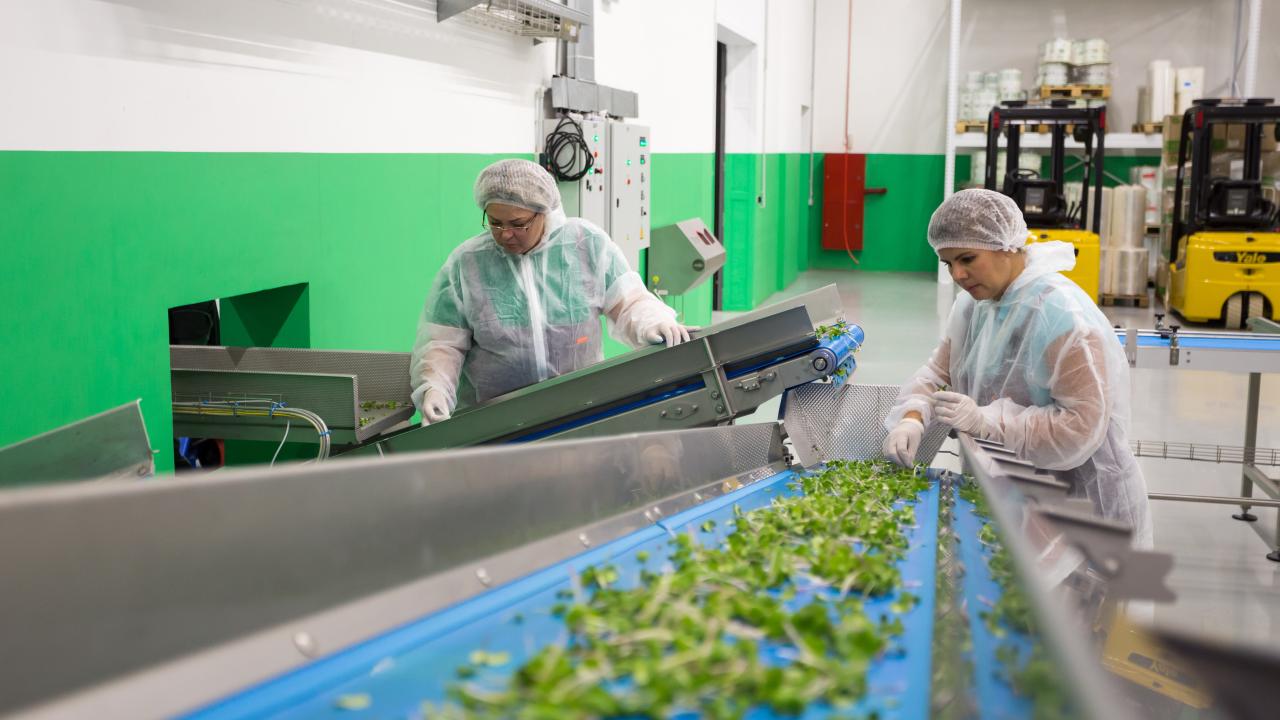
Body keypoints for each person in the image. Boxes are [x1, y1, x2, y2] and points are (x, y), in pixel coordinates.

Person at [882, 188, 1152, 545]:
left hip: (1082, 510)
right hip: (1008, 497)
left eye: (967, 258)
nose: (958, 275)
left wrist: (986, 421)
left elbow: (1080, 429)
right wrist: (912, 417)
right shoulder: (974, 306)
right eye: (948, 264)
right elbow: (938, 372)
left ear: (1007, 245)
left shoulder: (1061, 316)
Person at [411, 159, 691, 424]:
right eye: (495, 222)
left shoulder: (585, 244)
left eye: (518, 224)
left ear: (544, 212)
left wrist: (653, 321)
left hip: (580, 410)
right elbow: (443, 343)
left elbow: (628, 301)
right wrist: (435, 388)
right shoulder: (468, 262)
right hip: (495, 422)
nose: (505, 233)